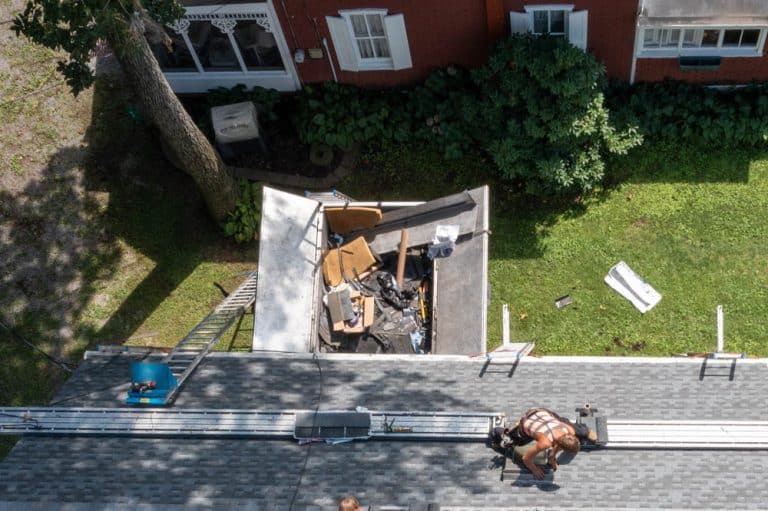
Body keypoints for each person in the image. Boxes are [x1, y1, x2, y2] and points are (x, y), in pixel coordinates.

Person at [510, 407, 586, 479]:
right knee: (517, 440)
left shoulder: (570, 431)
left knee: (559, 420)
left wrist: (552, 457)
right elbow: (526, 458)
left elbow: (559, 441)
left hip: (541, 411)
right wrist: (534, 470)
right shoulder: (545, 443)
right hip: (527, 421)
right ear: (561, 447)